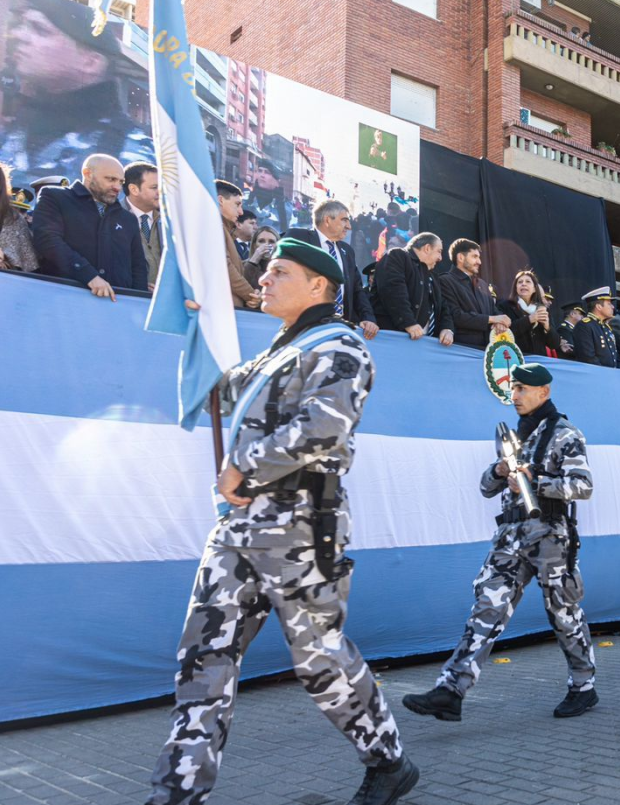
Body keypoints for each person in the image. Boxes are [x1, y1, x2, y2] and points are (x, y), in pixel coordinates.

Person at [146, 238, 417, 805]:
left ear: (319, 286)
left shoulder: (341, 348)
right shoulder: (276, 351)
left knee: (319, 658)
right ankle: (179, 791)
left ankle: (388, 760)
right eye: (265, 272)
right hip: (239, 529)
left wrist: (240, 465)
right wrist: (201, 329)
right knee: (204, 655)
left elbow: (324, 429)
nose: (263, 280)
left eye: (278, 272)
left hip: (299, 528)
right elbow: (222, 391)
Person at [402, 363, 597, 722]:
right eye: (514, 388)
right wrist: (499, 472)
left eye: (522, 389)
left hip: (551, 536)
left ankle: (583, 686)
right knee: (487, 606)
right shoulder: (513, 437)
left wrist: (535, 483)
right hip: (510, 536)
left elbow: (582, 486)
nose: (516, 395)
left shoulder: (566, 434)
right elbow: (485, 487)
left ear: (544, 392)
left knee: (563, 613)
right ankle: (451, 690)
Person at [0, 0, 153, 180]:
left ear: (91, 62)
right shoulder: (18, 130)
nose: (18, 34)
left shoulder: (132, 151)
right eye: (22, 24)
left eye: (40, 29)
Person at [31, 153, 148, 299]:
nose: (117, 187)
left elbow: (138, 267)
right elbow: (47, 240)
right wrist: (89, 276)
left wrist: (139, 300)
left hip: (117, 308)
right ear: (88, 173)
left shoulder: (127, 219)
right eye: (111, 179)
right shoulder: (55, 197)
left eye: (120, 181)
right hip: (63, 300)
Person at [284, 200, 379, 339]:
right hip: (305, 328)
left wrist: (368, 318)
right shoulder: (299, 238)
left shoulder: (347, 251)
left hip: (339, 329)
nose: (349, 226)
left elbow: (357, 289)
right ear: (327, 220)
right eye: (344, 220)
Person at [370, 231, 454, 345]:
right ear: (427, 248)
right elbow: (393, 291)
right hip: (394, 340)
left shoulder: (432, 275)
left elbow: (443, 305)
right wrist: (408, 322)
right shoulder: (398, 255)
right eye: (439, 251)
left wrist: (447, 328)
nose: (440, 258)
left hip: (423, 343)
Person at [435, 238, 509, 348]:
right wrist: (492, 319)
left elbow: (494, 310)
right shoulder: (445, 281)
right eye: (474, 256)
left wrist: (500, 320)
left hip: (488, 351)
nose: (479, 262)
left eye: (479, 257)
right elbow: (455, 315)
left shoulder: (483, 284)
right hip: (461, 350)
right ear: (460, 257)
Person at [217, 181, 260, 309]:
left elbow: (235, 267)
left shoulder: (225, 229)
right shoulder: (214, 226)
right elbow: (225, 269)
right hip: (223, 309)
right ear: (220, 200)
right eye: (237, 204)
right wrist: (251, 295)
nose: (241, 212)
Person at [498, 269, 560, 357]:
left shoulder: (543, 309)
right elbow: (505, 334)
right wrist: (530, 319)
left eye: (528, 282)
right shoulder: (505, 306)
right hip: (516, 359)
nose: (523, 284)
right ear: (516, 288)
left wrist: (547, 327)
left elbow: (555, 344)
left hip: (540, 361)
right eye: (520, 282)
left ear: (535, 288)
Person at [122, 162, 160, 286]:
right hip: (129, 298)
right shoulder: (111, 218)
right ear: (134, 189)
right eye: (154, 187)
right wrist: (139, 285)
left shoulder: (171, 220)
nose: (161, 192)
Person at [572, 286, 619, 368]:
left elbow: (614, 356)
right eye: (609, 304)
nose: (613, 307)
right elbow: (588, 358)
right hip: (596, 377)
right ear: (599, 307)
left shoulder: (606, 327)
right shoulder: (584, 325)